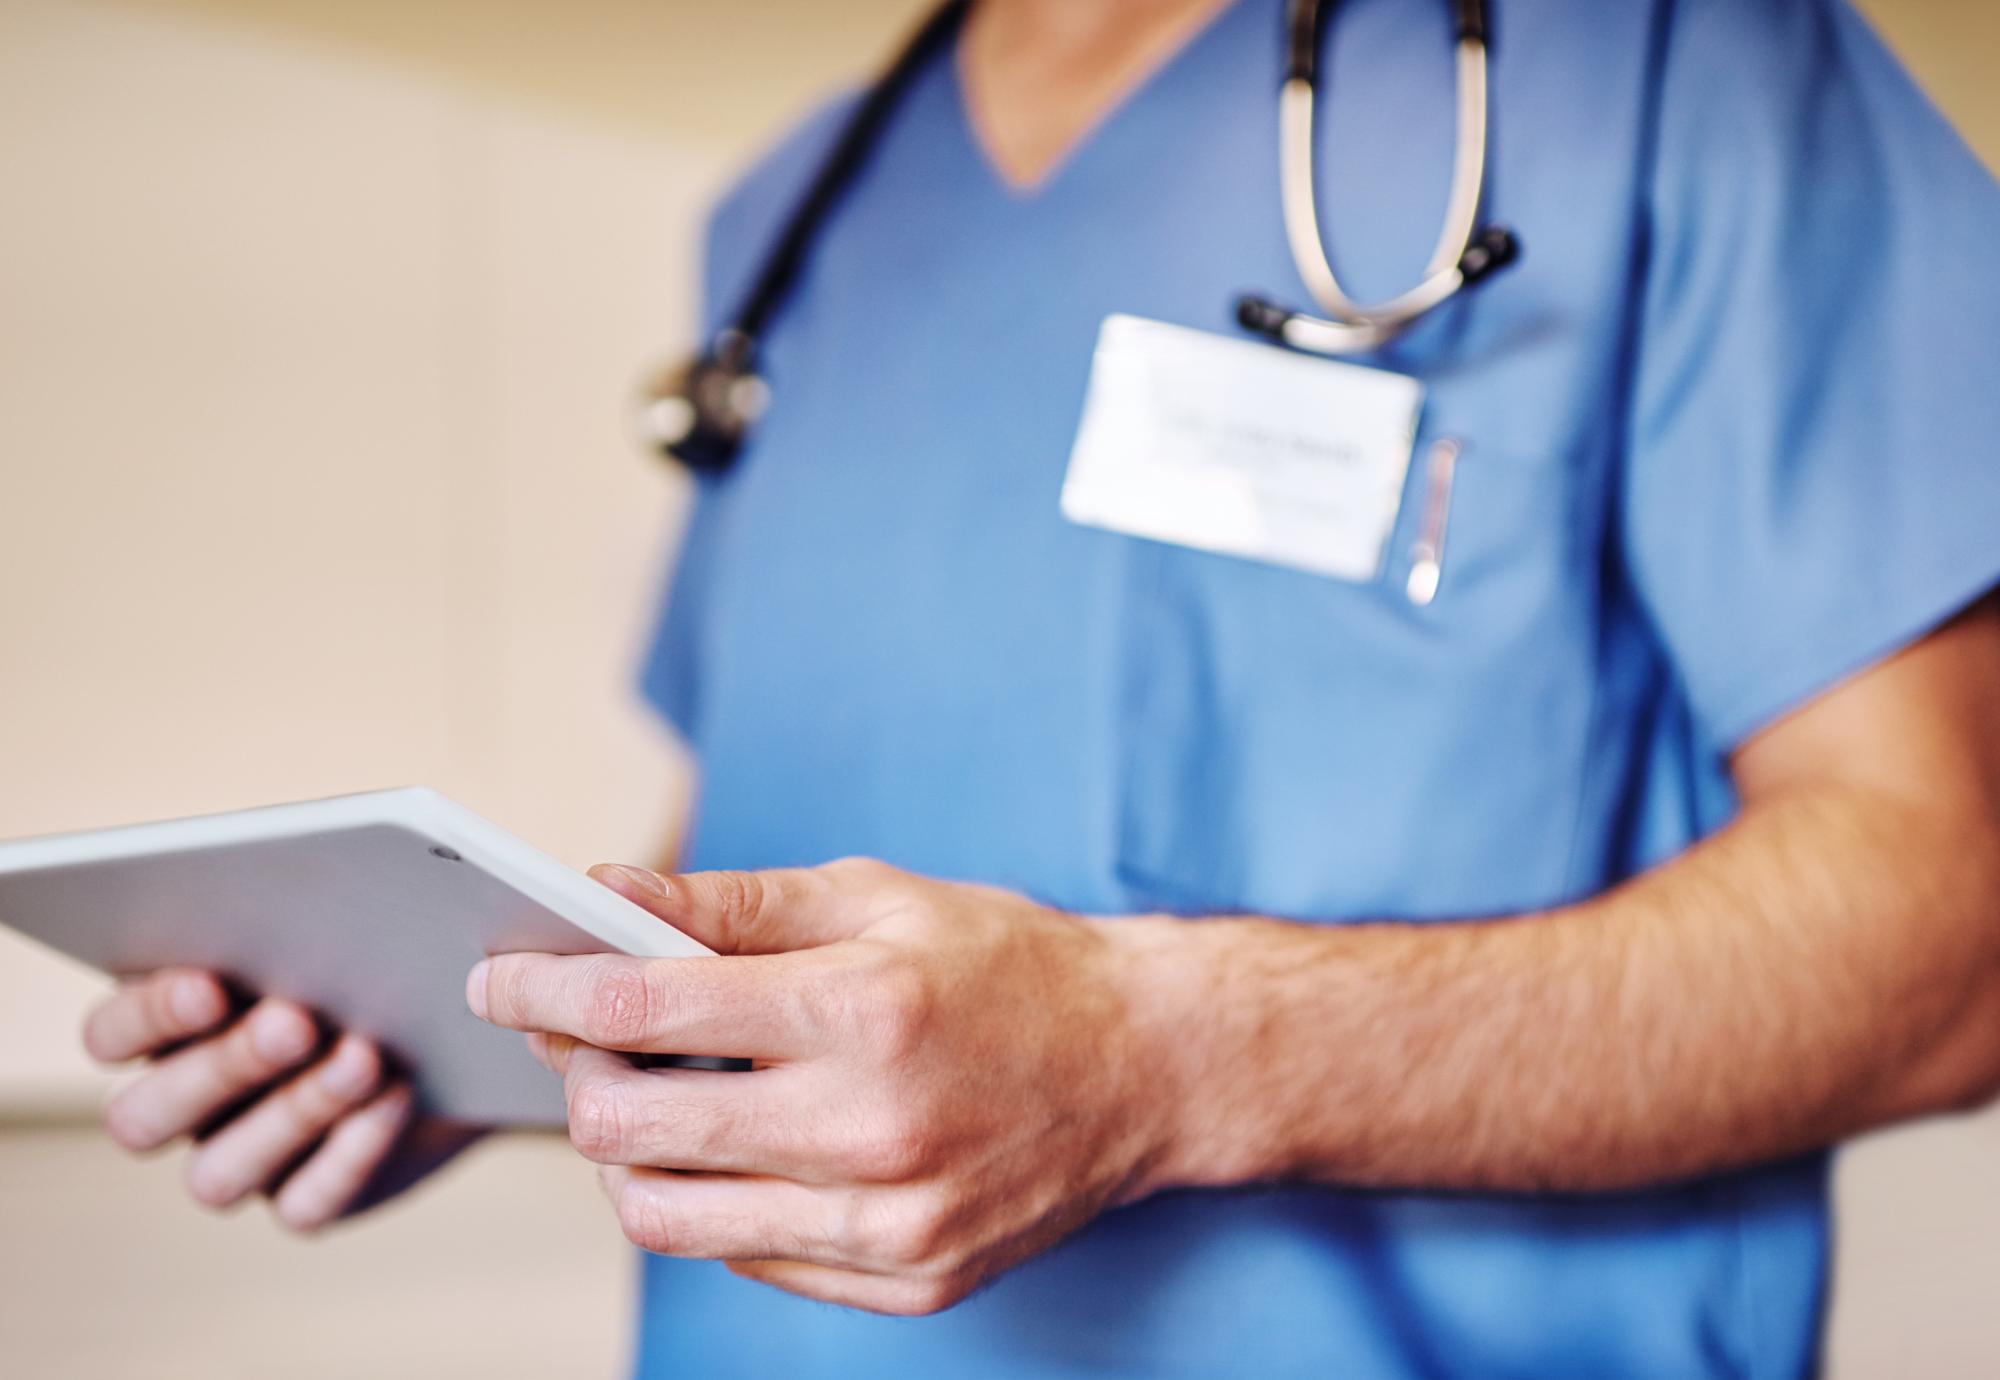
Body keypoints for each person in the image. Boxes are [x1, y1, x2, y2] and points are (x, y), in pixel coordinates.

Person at [81, 0, 2000, 1375]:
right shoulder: (794, 218)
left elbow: (1957, 929)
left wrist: (1162, 1056)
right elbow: (741, 871)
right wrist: (488, 1035)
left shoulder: (1682, 62)